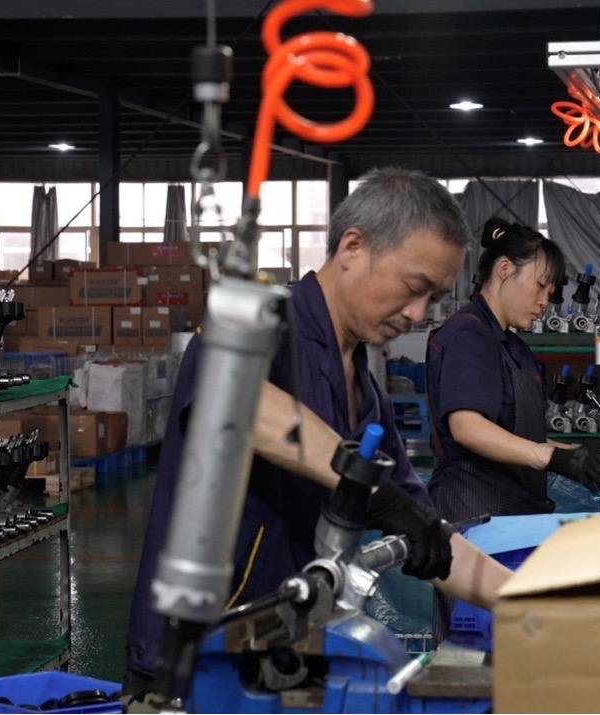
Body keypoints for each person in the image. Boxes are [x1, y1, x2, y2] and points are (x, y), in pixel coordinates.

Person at [125, 168, 512, 693]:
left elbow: (426, 530)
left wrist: (528, 597)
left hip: (288, 656)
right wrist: (369, 489)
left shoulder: (365, 391)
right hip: (200, 662)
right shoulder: (261, 328)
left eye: (435, 298)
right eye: (413, 287)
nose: (419, 313)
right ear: (352, 246)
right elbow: (240, 406)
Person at [424, 218, 600, 643]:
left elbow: (517, 432)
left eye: (552, 292)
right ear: (505, 269)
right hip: (474, 515)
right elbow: (469, 427)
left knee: (515, 648)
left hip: (509, 517)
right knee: (475, 651)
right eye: (541, 286)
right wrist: (551, 457)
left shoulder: (510, 345)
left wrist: (578, 453)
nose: (545, 300)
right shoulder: (467, 336)